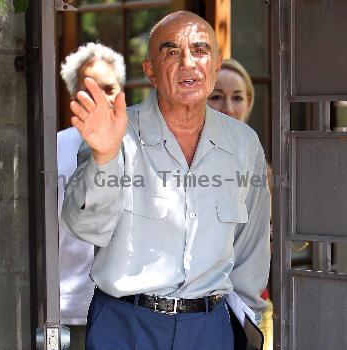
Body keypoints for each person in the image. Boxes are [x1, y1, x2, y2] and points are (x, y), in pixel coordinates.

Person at [62, 11, 270, 350]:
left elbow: (252, 247)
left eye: (200, 50)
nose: (188, 63)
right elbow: (84, 225)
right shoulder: (117, 133)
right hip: (125, 326)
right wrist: (104, 157)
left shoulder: (243, 143)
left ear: (215, 67)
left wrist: (248, 321)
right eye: (171, 52)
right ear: (151, 72)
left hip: (211, 328)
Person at [58, 42, 125, 346]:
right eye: (90, 89)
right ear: (74, 97)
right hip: (65, 310)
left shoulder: (142, 148)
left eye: (109, 88)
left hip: (124, 308)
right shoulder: (51, 150)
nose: (101, 98)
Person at [208, 58, 273, 350]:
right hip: (199, 311)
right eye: (217, 97)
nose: (229, 108)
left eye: (237, 97)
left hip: (252, 307)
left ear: (249, 102)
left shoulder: (264, 170)